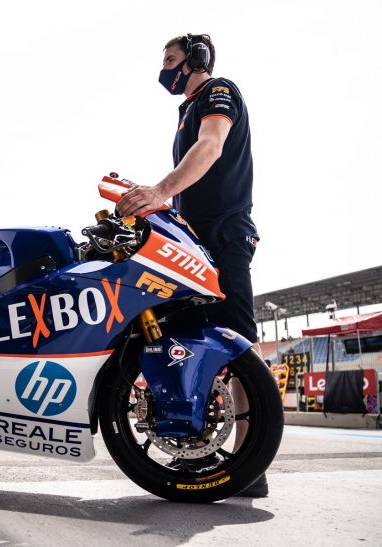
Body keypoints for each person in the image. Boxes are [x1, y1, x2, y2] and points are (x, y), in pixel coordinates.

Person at [116, 34, 266, 497]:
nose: (165, 70)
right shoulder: (184, 112)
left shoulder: (217, 92)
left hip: (224, 234)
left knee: (240, 340)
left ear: (195, 61)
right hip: (194, 238)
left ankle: (251, 464)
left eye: (171, 60)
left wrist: (159, 191)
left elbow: (211, 147)